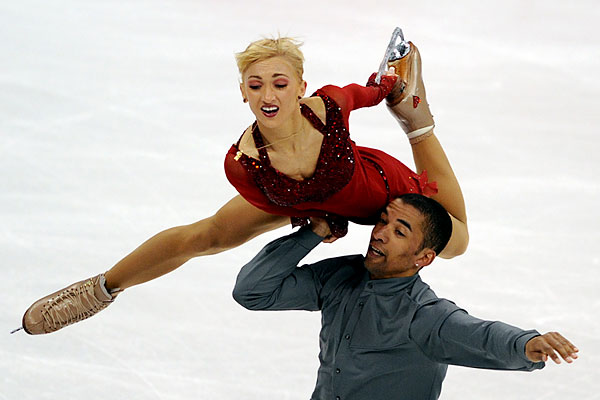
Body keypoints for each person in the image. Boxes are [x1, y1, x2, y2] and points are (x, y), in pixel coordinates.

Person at [18, 33, 468, 335]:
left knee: (455, 241)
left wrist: (391, 84)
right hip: (295, 195)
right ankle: (99, 290)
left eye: (279, 83)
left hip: (379, 189)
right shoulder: (243, 164)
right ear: (243, 92)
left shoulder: (329, 106)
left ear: (299, 87)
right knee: (208, 235)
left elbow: (369, 91)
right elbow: (275, 206)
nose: (267, 96)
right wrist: (316, 219)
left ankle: (417, 117)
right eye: (255, 86)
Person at [232, 193, 579, 400]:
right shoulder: (339, 277)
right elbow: (252, 291)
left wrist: (526, 344)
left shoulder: (422, 315)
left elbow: (477, 333)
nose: (380, 234)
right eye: (383, 221)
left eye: (399, 231)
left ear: (424, 257)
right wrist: (313, 233)